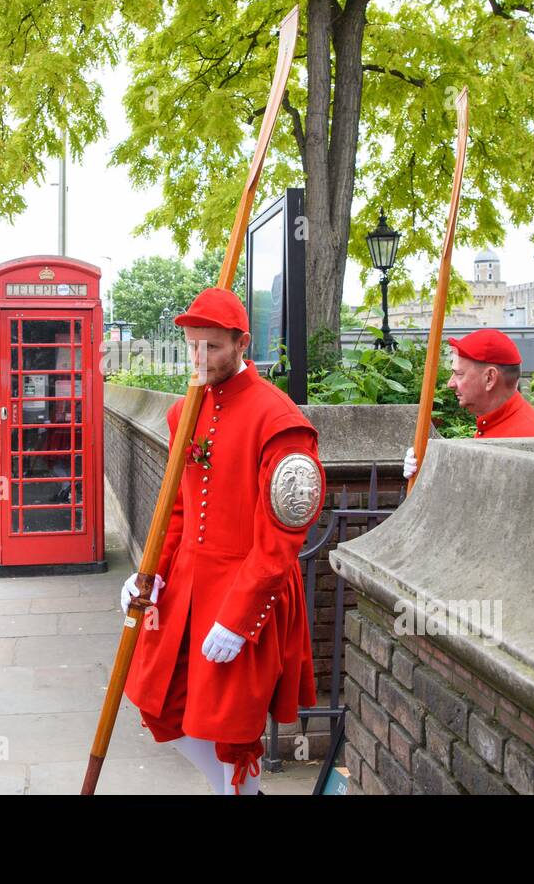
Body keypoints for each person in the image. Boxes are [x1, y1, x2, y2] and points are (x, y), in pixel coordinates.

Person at [122, 288, 323, 795]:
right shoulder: (183, 413)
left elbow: (281, 540)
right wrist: (152, 570)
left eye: (211, 347)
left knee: (232, 732)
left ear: (242, 343)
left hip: (245, 589)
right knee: (158, 700)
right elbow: (179, 506)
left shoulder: (281, 423)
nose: (198, 358)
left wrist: (241, 617)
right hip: (187, 584)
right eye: (191, 346)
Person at [404, 328, 534, 478]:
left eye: (459, 374)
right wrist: (427, 471)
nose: (450, 383)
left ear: (490, 378)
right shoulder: (498, 424)